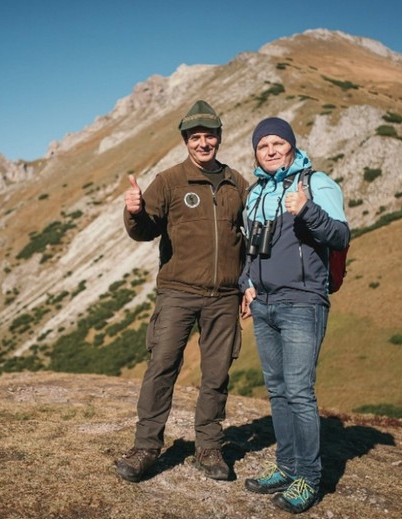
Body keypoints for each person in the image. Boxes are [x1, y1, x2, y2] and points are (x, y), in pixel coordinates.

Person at [115, 100, 249, 483]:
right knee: (162, 367)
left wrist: (250, 284)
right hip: (177, 292)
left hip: (225, 296)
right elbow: (144, 230)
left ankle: (208, 448)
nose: (203, 143)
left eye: (209, 136)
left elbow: (251, 237)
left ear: (219, 138)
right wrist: (135, 211)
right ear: (186, 141)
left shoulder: (236, 182)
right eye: (196, 137)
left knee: (216, 373)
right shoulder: (170, 180)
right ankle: (146, 447)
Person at [239, 117, 350, 514]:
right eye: (262, 145)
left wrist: (306, 211)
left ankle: (308, 476)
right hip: (264, 304)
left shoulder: (314, 183)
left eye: (277, 143)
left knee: (300, 392)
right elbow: (249, 249)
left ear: (291, 145)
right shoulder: (255, 193)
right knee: (278, 390)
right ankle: (285, 466)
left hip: (303, 302)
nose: (270, 150)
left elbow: (340, 235)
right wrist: (245, 283)